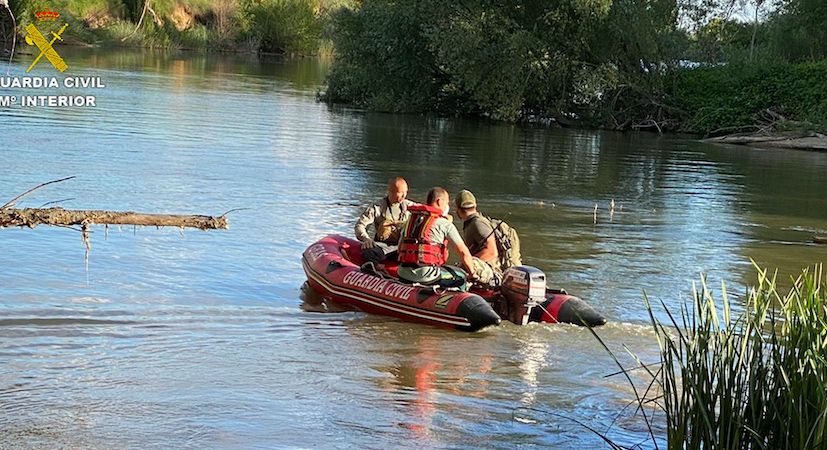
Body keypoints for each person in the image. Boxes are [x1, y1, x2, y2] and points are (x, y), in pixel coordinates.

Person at [396, 187, 478, 285]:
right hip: (426, 276)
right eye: (446, 203)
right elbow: (463, 253)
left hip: (403, 274)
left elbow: (399, 248)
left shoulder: (410, 220)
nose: (447, 206)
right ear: (439, 201)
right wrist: (472, 274)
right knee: (461, 275)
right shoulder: (444, 224)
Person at [355, 176, 415, 264]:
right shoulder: (377, 207)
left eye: (405, 192)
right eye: (400, 192)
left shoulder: (410, 206)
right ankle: (375, 267)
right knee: (368, 251)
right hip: (382, 247)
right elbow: (360, 225)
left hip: (402, 247)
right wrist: (366, 239)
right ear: (390, 192)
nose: (404, 195)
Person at [454, 190, 502, 285]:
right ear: (475, 206)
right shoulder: (471, 223)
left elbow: (492, 252)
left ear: (458, 209)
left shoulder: (478, 224)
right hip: (484, 268)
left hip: (491, 272)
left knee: (461, 269)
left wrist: (467, 265)